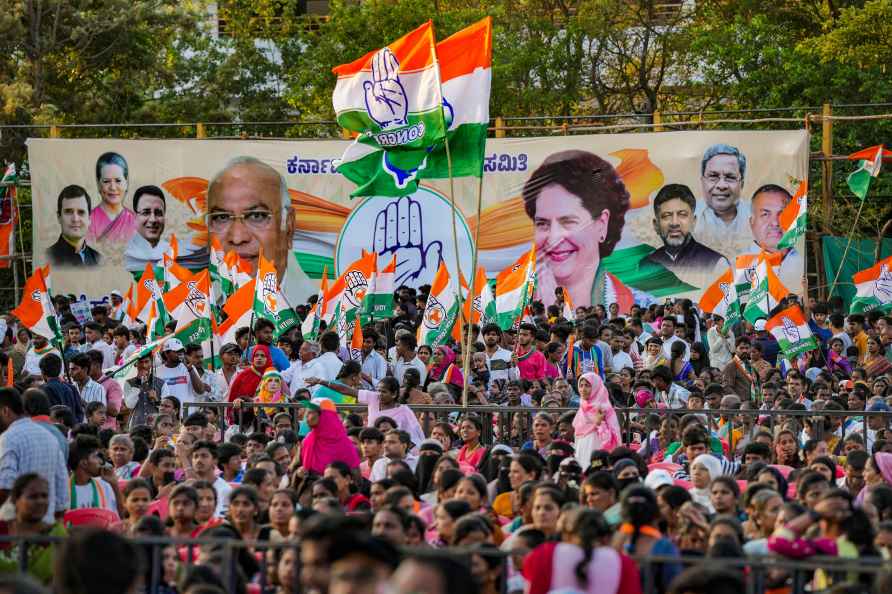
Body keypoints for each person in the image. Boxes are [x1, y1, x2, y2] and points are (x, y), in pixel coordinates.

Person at [523, 149, 631, 309]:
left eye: (568, 222)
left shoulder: (637, 305)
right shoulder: (511, 303)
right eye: (542, 223)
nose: (553, 239)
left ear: (602, 224)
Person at [206, 156, 298, 291]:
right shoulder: (187, 308)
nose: (237, 238)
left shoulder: (323, 308)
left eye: (257, 216)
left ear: (289, 227)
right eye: (222, 217)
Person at [0, 387, 68, 524]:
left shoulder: (8, 438)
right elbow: (62, 497)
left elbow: (5, 487)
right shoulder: (50, 437)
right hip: (46, 531)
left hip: (15, 529)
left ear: (5, 411)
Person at [644, 184, 727, 277]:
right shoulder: (646, 265)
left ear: (693, 222)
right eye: (667, 216)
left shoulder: (716, 264)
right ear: (656, 225)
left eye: (682, 214)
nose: (674, 223)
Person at [0, 473, 68, 585]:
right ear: (15, 499)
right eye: (33, 496)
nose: (40, 501)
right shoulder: (2, 530)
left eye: (44, 496)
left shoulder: (56, 534)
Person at [693, 143, 752, 259]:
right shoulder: (686, 220)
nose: (721, 185)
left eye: (730, 177)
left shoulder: (758, 217)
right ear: (703, 181)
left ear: (742, 183)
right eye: (713, 176)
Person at [747, 184, 804, 291]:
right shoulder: (734, 268)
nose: (775, 223)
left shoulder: (805, 265)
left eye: (783, 214)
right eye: (765, 214)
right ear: (751, 223)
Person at [299, 398, 361, 477]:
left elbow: (356, 480)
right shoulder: (308, 440)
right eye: (306, 412)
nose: (306, 416)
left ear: (325, 415)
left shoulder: (344, 445)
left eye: (310, 412)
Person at [45, 185, 102, 267]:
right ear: (59, 217)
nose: (75, 219)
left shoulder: (99, 260)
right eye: (68, 212)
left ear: (89, 219)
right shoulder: (46, 260)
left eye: (81, 212)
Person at [574, 372, 621, 470]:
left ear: (596, 387)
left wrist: (599, 424)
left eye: (587, 386)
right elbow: (578, 430)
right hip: (582, 446)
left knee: (596, 471)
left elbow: (612, 434)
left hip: (597, 445)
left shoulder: (603, 407)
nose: (583, 389)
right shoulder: (583, 406)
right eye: (581, 385)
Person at [87, 151, 137, 244]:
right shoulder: (88, 221)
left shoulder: (135, 222)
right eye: (106, 181)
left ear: (126, 183)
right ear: (98, 184)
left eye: (118, 181)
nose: (113, 187)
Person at [124, 185, 171, 271]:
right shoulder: (125, 255)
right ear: (134, 217)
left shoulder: (172, 254)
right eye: (146, 212)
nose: (153, 220)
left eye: (158, 213)